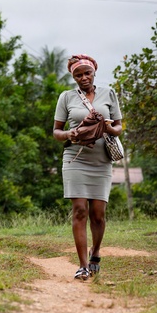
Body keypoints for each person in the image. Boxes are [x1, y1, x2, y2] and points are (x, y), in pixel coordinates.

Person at [52, 54, 123, 280]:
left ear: (94, 73)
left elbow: (119, 126)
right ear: (73, 77)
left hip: (101, 160)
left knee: (98, 215)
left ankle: (96, 252)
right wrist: (69, 134)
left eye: (87, 73)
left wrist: (110, 129)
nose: (83, 78)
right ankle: (82, 265)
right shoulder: (66, 97)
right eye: (78, 75)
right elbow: (56, 132)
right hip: (76, 158)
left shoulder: (108, 94)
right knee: (80, 211)